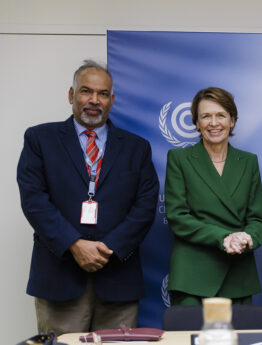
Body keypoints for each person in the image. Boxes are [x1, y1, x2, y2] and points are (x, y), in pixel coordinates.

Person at [17, 60, 159, 334]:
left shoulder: (136, 148)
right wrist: (74, 244)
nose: (94, 100)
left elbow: (145, 204)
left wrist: (109, 247)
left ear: (112, 99)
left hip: (118, 277)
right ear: (71, 95)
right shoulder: (40, 139)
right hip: (59, 277)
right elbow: (34, 199)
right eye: (86, 91)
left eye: (103, 93)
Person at [165, 87, 262, 305]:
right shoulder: (179, 158)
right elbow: (177, 217)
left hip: (237, 273)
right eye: (206, 116)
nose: (213, 123)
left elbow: (257, 219)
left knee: (238, 340)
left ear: (232, 120)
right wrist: (223, 238)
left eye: (221, 115)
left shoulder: (248, 161)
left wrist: (248, 238)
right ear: (196, 123)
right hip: (192, 277)